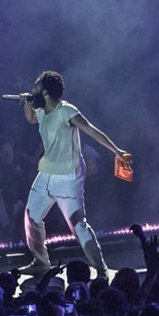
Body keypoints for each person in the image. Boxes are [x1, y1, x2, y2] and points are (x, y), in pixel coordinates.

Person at [19, 70, 130, 279]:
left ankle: (100, 268)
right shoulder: (41, 111)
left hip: (68, 175)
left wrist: (117, 151)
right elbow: (31, 119)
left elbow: (91, 130)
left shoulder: (66, 110)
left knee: (77, 224)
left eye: (35, 86)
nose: (32, 89)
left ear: (44, 90)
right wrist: (27, 103)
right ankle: (40, 262)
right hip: (46, 172)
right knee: (31, 216)